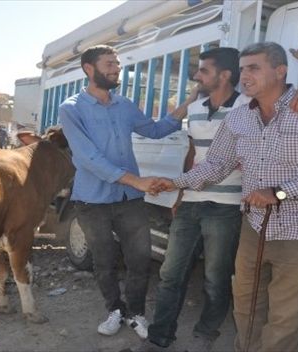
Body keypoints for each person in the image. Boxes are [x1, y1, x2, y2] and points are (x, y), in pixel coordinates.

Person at [151, 42, 298, 351]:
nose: (245, 75)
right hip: (254, 227)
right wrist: (173, 182)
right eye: (243, 69)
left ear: (281, 70)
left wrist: (281, 192)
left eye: (254, 68)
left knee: (287, 319)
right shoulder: (239, 118)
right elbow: (216, 164)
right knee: (245, 307)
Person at [59, 44, 197, 340]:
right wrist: (138, 181)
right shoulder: (71, 108)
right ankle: (114, 310)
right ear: (89, 69)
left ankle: (135, 314)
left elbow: (156, 130)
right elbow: (87, 158)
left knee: (139, 258)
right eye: (109, 64)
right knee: (104, 261)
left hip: (129, 201)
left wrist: (189, 102)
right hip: (92, 201)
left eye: (118, 65)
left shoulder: (125, 106)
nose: (116, 69)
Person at [135, 47, 250, 352]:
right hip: (191, 203)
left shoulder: (247, 107)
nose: (197, 76)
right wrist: (180, 195)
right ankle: (159, 337)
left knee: (216, 277)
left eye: (204, 71)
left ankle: (205, 334)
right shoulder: (196, 108)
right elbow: (192, 153)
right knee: (170, 273)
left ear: (224, 75)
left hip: (226, 208)